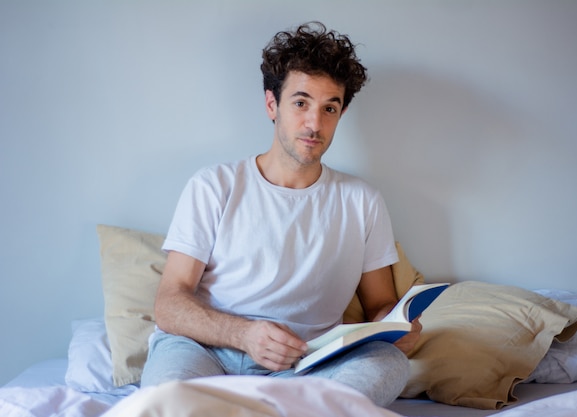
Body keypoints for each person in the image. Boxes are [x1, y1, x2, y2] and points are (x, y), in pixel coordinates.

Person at [140, 21, 421, 407]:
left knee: (389, 364)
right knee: (166, 397)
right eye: (301, 103)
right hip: (206, 352)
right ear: (272, 104)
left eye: (329, 108)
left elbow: (378, 306)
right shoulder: (214, 185)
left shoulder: (362, 200)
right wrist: (244, 335)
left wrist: (398, 326)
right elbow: (169, 304)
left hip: (308, 362)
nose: (314, 124)